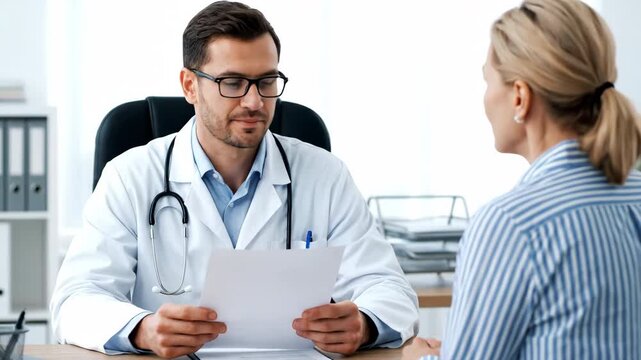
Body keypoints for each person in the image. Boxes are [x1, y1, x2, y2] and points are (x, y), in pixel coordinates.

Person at [50, 1, 419, 358]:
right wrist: (141, 330)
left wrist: (365, 324)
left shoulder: (325, 175)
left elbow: (390, 290)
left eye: (266, 81)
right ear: (190, 86)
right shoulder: (130, 178)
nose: (255, 101)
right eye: (233, 82)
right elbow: (76, 299)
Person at [404, 0, 641, 359]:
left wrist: (420, 358)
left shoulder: (511, 225)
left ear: (520, 96)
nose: (485, 99)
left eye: (487, 80)